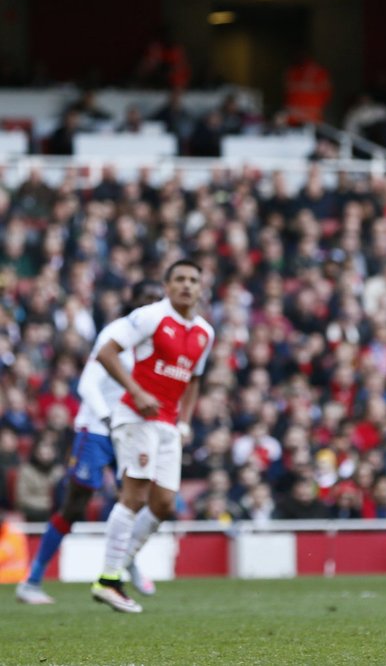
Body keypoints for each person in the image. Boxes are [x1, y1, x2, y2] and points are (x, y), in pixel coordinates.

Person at [16, 280, 164, 606]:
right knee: (76, 504)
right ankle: (32, 580)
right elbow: (87, 384)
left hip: (132, 428)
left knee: (141, 498)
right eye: (147, 299)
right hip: (98, 427)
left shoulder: (162, 343)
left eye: (158, 299)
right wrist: (108, 420)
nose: (152, 305)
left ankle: (124, 564)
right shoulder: (117, 333)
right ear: (133, 301)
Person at [90, 260, 214, 613]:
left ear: (200, 287)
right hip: (136, 416)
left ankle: (123, 562)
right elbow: (106, 352)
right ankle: (108, 579)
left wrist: (185, 422)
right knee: (134, 496)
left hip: (168, 425)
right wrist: (136, 391)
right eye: (179, 279)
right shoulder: (150, 317)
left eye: (193, 280)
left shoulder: (205, 331)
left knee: (163, 503)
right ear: (167, 285)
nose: (187, 286)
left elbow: (193, 379)